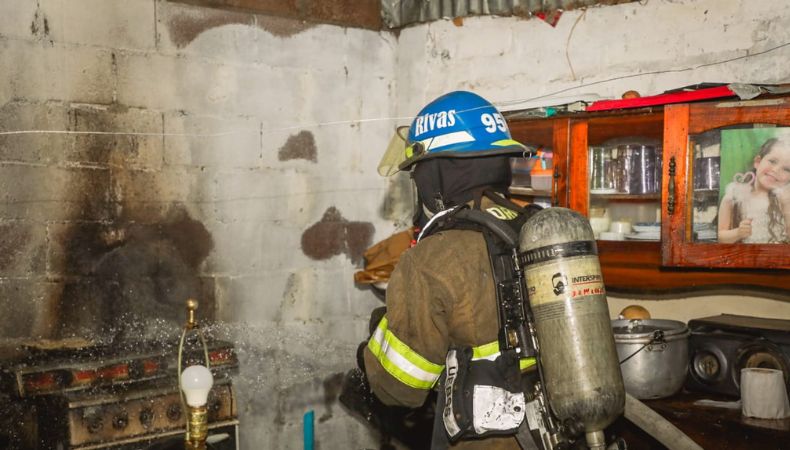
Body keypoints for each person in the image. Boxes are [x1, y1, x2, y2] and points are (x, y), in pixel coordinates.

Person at [361, 91, 542, 450]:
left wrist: (373, 348)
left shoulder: (434, 256)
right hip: (552, 432)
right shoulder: (536, 228)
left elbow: (400, 389)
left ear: (436, 173)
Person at [718, 136, 790, 243]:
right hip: (745, 256)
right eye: (772, 161)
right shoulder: (734, 195)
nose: (776, 170)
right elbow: (721, 236)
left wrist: (786, 206)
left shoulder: (784, 199)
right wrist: (738, 233)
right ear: (757, 162)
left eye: (786, 169)